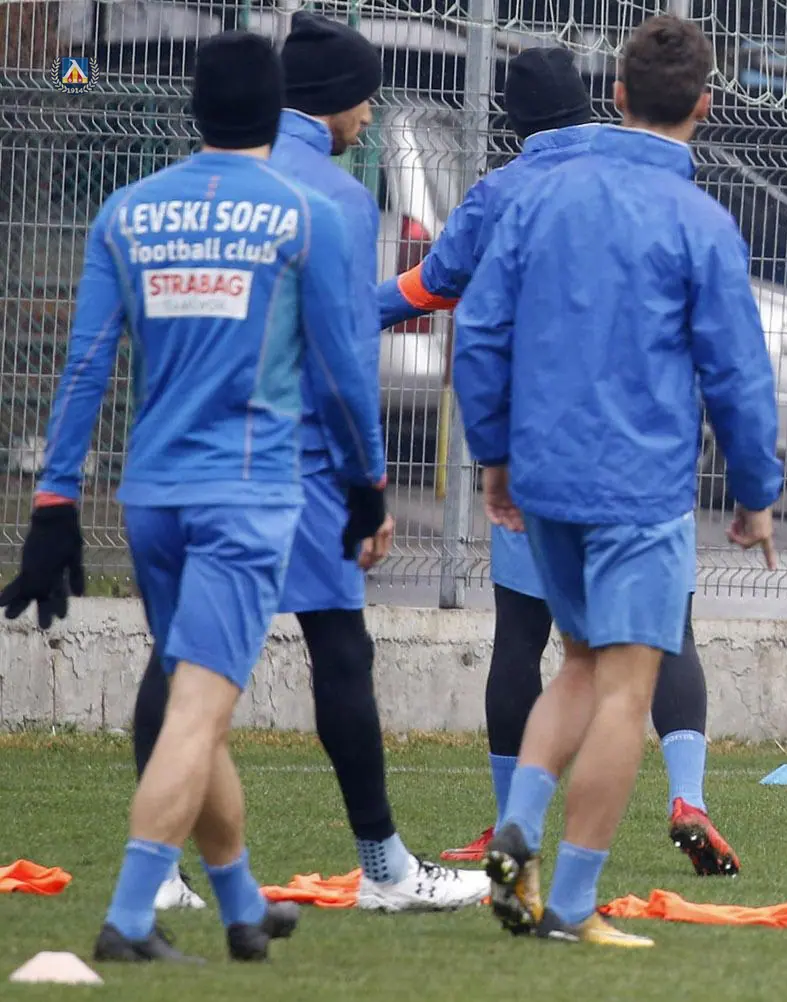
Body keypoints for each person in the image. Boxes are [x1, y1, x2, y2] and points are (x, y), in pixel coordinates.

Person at [0, 32, 390, 962]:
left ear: (195, 108)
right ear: (275, 105)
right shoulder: (306, 216)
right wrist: (365, 484)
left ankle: (241, 902)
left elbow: (87, 364)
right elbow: (340, 374)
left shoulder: (127, 211)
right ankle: (132, 917)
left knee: (190, 691)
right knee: (200, 709)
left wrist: (56, 500)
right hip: (245, 497)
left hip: (152, 498)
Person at [132, 10, 489, 916]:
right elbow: (341, 356)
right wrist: (369, 483)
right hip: (296, 464)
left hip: (187, 457)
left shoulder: (198, 185)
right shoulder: (334, 196)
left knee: (179, 662)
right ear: (334, 100)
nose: (369, 117)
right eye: (366, 99)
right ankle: (383, 867)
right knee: (339, 650)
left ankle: (159, 876)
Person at [454, 14, 783, 948]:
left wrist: (495, 455)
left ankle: (517, 828)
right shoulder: (699, 220)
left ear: (619, 96)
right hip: (638, 489)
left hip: (546, 481)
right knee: (625, 694)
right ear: (704, 106)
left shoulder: (538, 197)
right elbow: (736, 370)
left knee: (579, 664)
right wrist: (755, 492)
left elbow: (479, 330)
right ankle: (570, 904)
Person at [377, 44, 740, 878]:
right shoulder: (661, 190)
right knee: (662, 639)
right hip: (645, 459)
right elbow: (724, 351)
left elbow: (439, 291)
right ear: (596, 100)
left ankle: (515, 823)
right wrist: (752, 483)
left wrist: (345, 313)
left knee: (530, 640)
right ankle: (687, 798)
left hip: (539, 455)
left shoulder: (508, 192)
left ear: (510, 121)